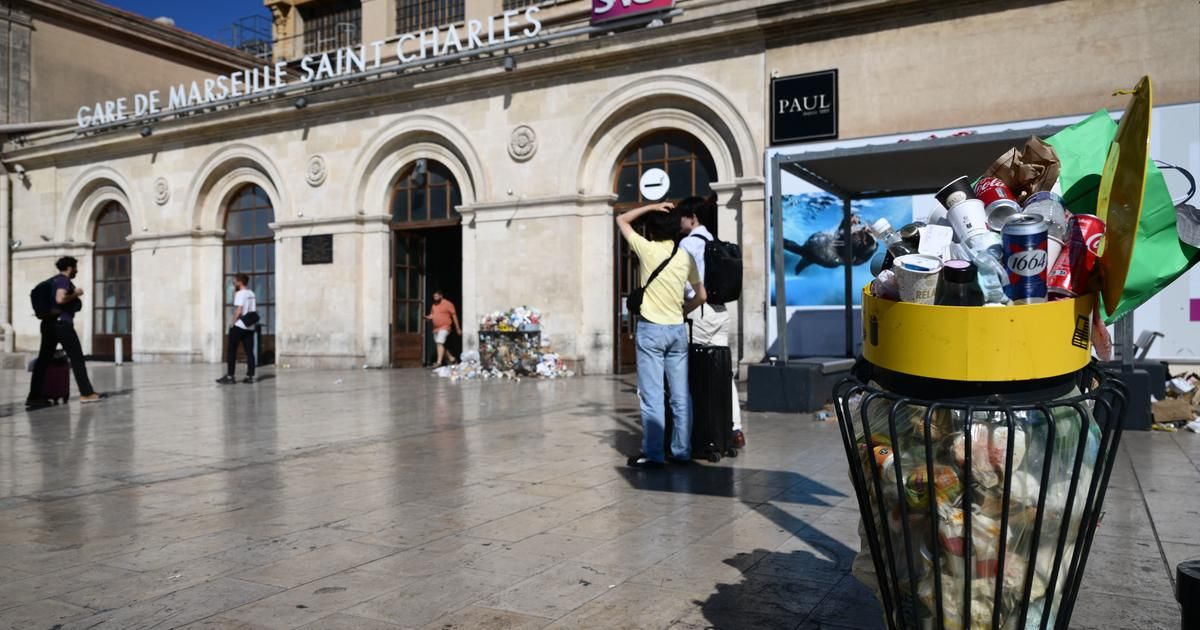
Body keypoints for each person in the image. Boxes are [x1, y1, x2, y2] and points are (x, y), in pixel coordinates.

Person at [616, 201, 706, 468]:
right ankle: (682, 452)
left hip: (652, 329)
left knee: (652, 395)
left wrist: (652, 206)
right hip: (677, 329)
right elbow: (701, 295)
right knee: (680, 396)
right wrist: (683, 310)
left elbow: (622, 220)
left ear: (653, 232)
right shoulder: (684, 257)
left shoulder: (648, 249)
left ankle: (654, 454)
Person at [677, 197, 746, 448]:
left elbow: (685, 284)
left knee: (696, 371)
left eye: (682, 216)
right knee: (723, 372)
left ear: (693, 217)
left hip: (699, 311)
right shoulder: (714, 242)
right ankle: (734, 429)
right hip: (721, 312)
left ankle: (700, 429)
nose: (679, 221)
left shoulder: (688, 244)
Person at [27, 256, 105, 406]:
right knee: (77, 358)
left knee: (43, 361)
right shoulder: (63, 280)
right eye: (75, 267)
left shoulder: (53, 281)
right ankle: (87, 393)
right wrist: (76, 293)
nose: (76, 270)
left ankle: (34, 396)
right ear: (69, 267)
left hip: (48, 324)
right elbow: (60, 299)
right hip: (62, 325)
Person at [217, 273, 258, 384]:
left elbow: (239, 310)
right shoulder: (251, 293)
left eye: (235, 280)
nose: (234, 282)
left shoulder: (240, 293)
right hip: (250, 326)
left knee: (231, 350)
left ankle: (230, 377)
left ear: (240, 282)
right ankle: (250, 377)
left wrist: (232, 323)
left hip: (240, 325)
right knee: (250, 352)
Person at [425, 290, 461, 367]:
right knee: (440, 344)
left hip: (445, 327)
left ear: (441, 296)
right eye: (434, 296)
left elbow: (454, 316)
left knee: (439, 342)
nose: (435, 298)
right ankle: (452, 358)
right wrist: (427, 317)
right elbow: (432, 315)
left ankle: (438, 362)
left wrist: (458, 328)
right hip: (436, 329)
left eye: (436, 296)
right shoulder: (434, 305)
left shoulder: (448, 304)